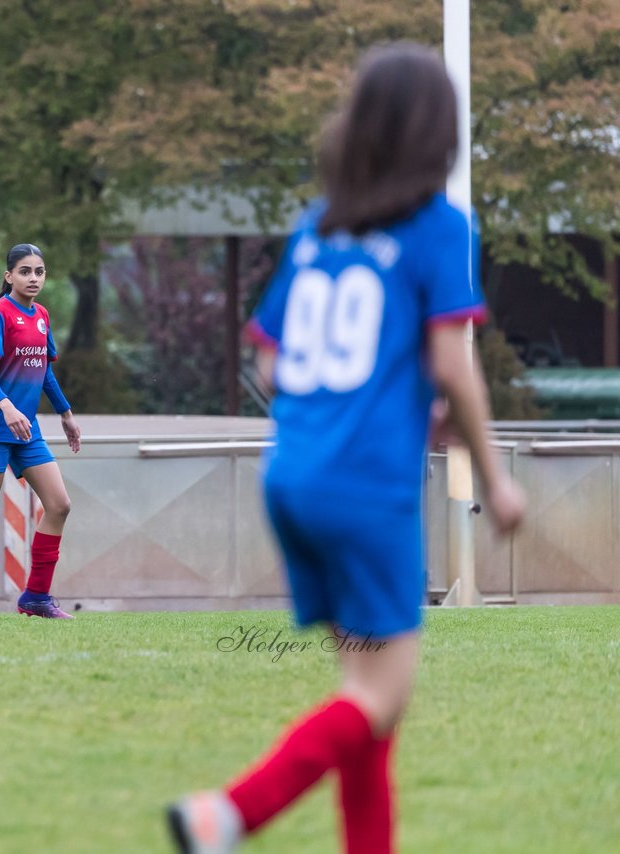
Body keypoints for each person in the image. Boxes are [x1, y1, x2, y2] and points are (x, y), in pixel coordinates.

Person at [165, 43, 526, 853]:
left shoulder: (315, 228)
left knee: (362, 694)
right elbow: (450, 364)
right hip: (367, 490)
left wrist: (362, 401)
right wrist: (497, 480)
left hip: (292, 476)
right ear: (440, 132)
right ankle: (228, 814)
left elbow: (268, 359)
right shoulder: (440, 227)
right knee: (381, 699)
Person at [0, 243, 81, 617]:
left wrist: (66, 414)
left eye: (39, 271)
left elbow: (45, 371)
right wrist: (6, 408)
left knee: (59, 505)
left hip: (27, 431)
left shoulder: (41, 315)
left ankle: (36, 597)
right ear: (9, 276)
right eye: (25, 271)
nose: (33, 278)